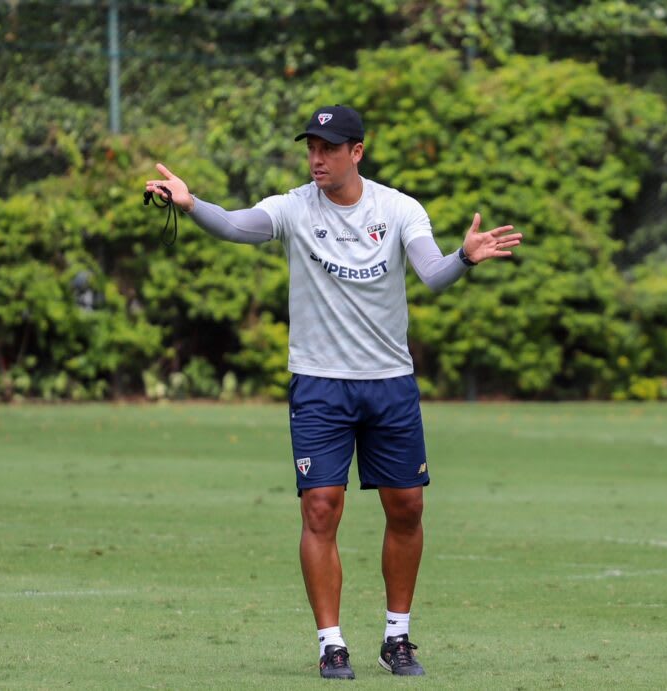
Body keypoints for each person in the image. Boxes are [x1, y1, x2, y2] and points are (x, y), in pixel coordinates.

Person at [144, 105, 521, 680]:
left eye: (329, 148)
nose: (317, 158)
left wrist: (465, 258)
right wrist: (192, 205)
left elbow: (433, 274)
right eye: (311, 148)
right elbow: (238, 225)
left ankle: (397, 638)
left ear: (357, 152)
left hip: (389, 384)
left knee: (408, 507)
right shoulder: (294, 207)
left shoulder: (398, 209)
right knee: (321, 508)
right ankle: (331, 643)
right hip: (319, 384)